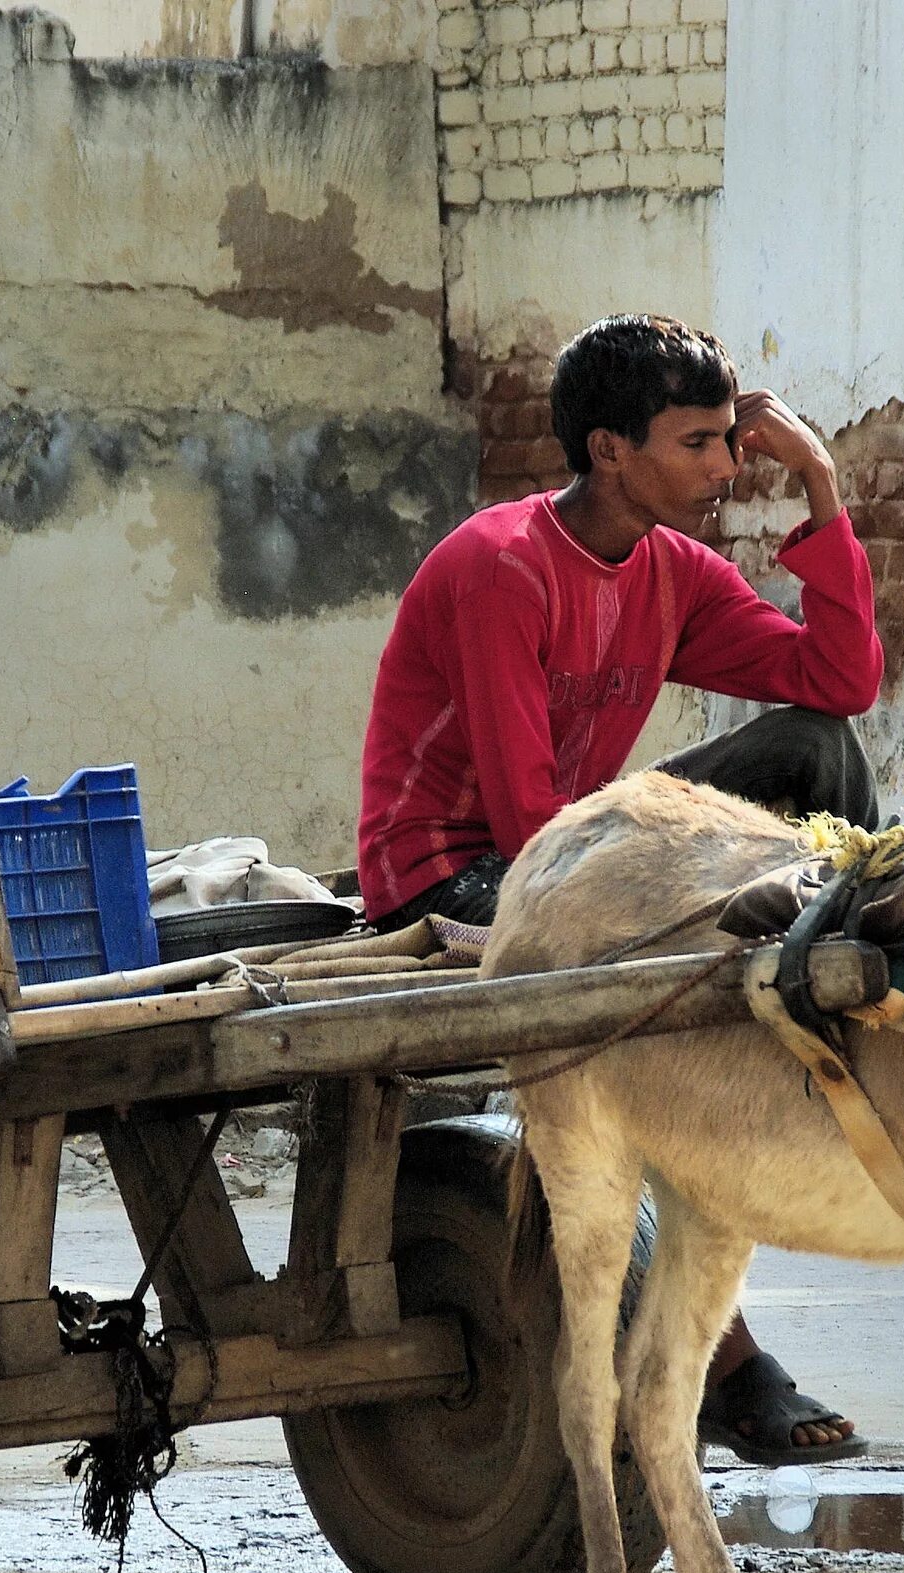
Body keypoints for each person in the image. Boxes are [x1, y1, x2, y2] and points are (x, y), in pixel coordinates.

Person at [354, 313, 877, 1465]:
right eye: (698, 445)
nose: (727, 469)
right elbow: (525, 825)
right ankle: (726, 1361)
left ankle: (843, 976)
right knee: (659, 1017)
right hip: (459, 872)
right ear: (608, 450)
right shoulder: (504, 569)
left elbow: (837, 679)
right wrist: (670, 900)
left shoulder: (672, 571)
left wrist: (824, 486)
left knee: (817, 750)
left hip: (575, 856)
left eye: (731, 444)